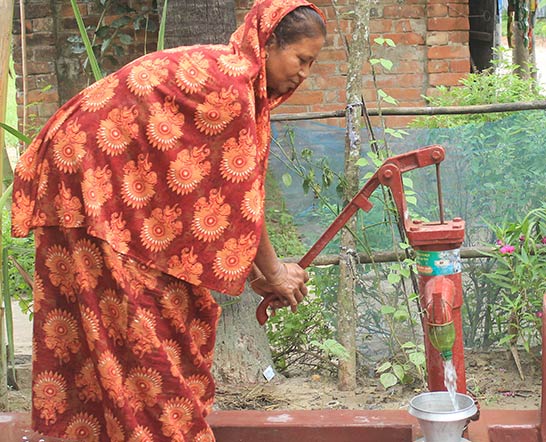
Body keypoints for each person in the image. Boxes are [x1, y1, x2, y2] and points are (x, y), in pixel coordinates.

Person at [10, 0, 325, 440]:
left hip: (111, 196)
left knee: (172, 317)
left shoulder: (232, 76)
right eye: (302, 59)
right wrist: (274, 273)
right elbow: (240, 202)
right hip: (84, 189)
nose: (305, 73)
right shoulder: (230, 88)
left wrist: (261, 272)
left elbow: (214, 198)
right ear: (269, 42)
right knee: (142, 342)